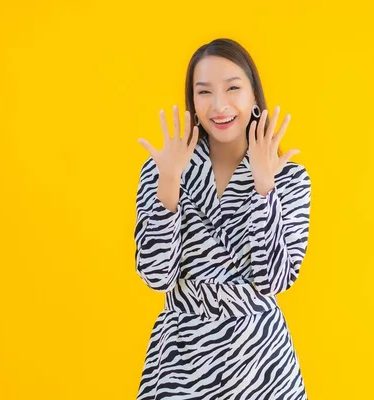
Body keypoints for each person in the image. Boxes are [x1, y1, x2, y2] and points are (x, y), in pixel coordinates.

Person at [133, 38, 311, 399]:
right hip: (181, 360)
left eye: (233, 88)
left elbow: (274, 278)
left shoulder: (289, 177)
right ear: (192, 102)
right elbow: (155, 275)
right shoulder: (164, 169)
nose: (219, 105)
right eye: (204, 92)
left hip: (260, 362)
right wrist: (169, 182)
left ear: (254, 95)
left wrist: (264, 188)